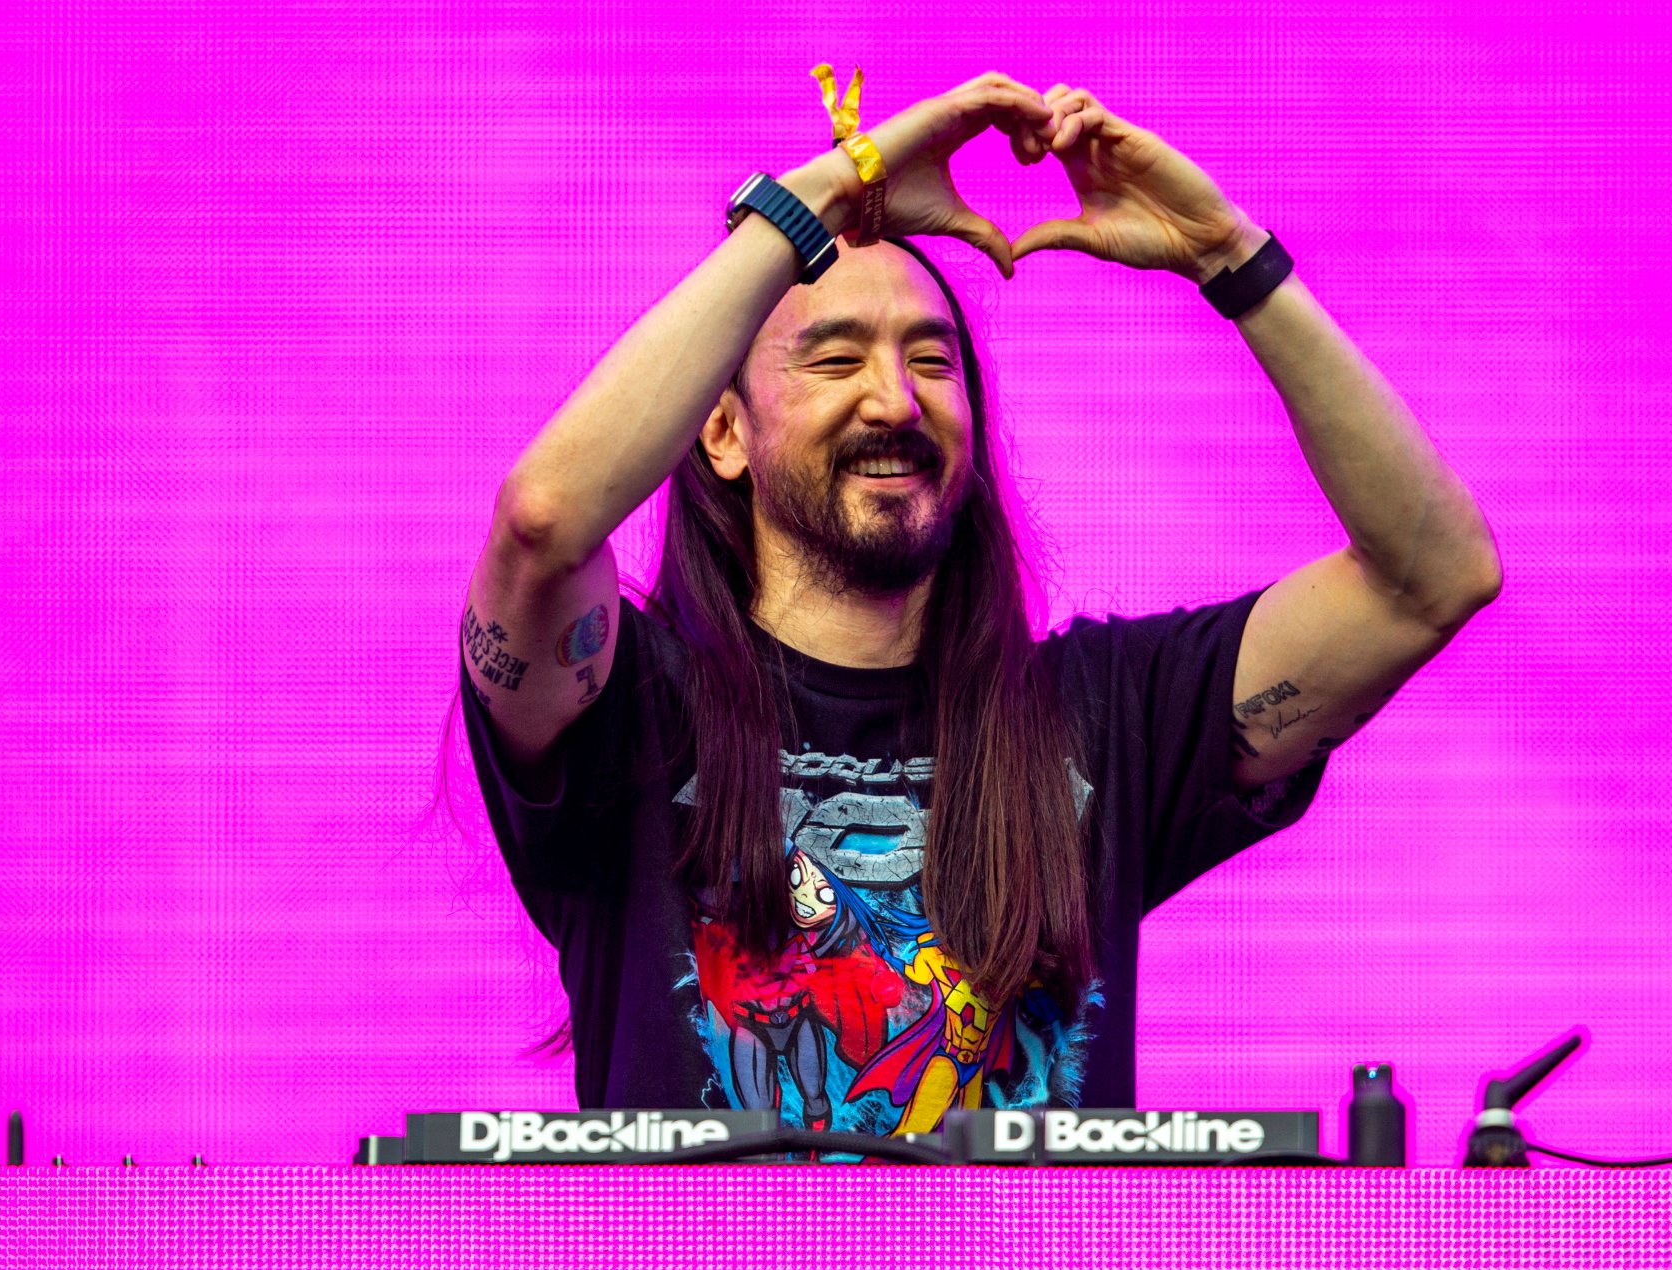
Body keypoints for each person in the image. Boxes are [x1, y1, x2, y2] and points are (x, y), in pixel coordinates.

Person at [456, 71, 1502, 1135]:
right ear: (721, 431)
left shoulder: (1103, 717)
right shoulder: (627, 708)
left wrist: (1231, 258)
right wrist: (820, 199)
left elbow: (1432, 578)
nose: (896, 399)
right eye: (835, 359)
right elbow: (542, 523)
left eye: (932, 360)